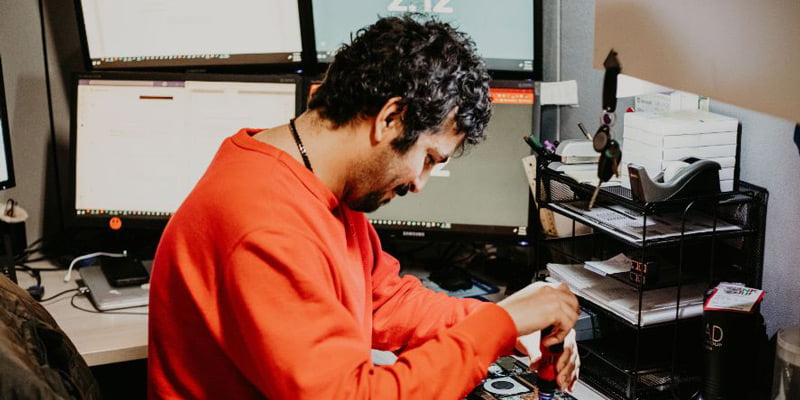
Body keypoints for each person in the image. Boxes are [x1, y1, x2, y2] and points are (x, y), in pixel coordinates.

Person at [148, 15, 580, 400]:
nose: (419, 183)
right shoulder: (265, 223)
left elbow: (383, 302)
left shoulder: (316, 181)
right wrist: (495, 329)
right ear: (390, 117)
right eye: (428, 158)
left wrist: (506, 319)